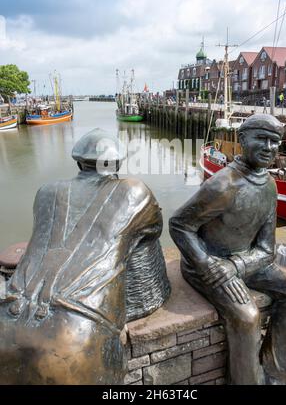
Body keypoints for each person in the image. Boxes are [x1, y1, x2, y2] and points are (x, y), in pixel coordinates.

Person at [0, 129, 170, 385]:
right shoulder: (134, 191)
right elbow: (153, 233)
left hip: (8, 318)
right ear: (117, 163)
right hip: (78, 332)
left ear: (78, 162)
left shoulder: (46, 191)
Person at [169, 114, 286, 385]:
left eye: (275, 141)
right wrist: (206, 264)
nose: (269, 147)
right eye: (261, 139)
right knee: (247, 316)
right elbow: (180, 225)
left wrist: (238, 266)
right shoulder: (222, 185)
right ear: (242, 140)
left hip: (247, 262)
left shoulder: (270, 186)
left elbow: (266, 248)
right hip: (209, 265)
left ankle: (276, 375)